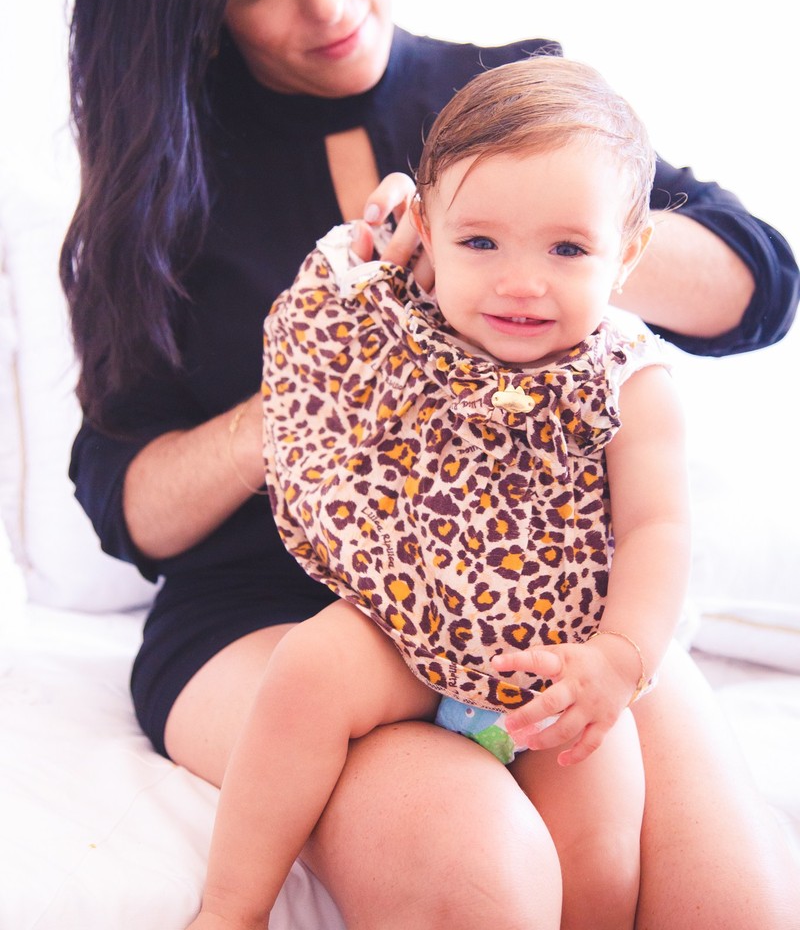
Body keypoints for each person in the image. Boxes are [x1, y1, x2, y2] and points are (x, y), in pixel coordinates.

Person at [60, 0, 799, 928]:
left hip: (542, 595)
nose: (326, 3)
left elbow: (758, 286)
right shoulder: (157, 199)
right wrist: (330, 372)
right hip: (269, 615)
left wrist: (539, 242)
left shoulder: (517, 100)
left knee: (734, 904)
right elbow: (126, 508)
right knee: (482, 875)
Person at [187, 56, 690, 930]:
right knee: (305, 670)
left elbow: (659, 529)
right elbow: (326, 335)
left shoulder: (629, 382)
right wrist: (368, 251)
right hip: (403, 622)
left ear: (628, 252)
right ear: (429, 231)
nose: (520, 281)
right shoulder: (407, 330)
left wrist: (618, 657)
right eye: (480, 242)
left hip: (555, 661)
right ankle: (230, 908)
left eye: (568, 249)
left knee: (602, 848)